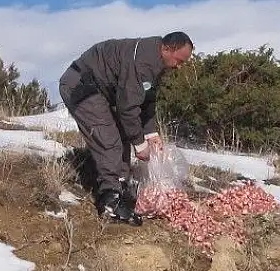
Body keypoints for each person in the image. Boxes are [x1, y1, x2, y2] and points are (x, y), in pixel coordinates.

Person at [58, 31, 193, 225]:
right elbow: (128, 108)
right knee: (109, 140)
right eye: (179, 60)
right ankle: (110, 202)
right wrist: (140, 145)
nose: (180, 67)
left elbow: (146, 100)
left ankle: (120, 188)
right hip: (80, 86)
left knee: (122, 137)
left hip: (100, 90)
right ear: (167, 48)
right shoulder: (143, 63)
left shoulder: (157, 61)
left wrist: (151, 133)